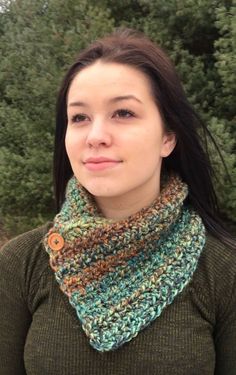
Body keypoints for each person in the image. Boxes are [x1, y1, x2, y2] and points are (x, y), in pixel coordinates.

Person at [0, 28, 235, 375]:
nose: (95, 136)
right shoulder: (21, 264)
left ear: (168, 136)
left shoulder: (223, 270)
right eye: (79, 117)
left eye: (123, 113)